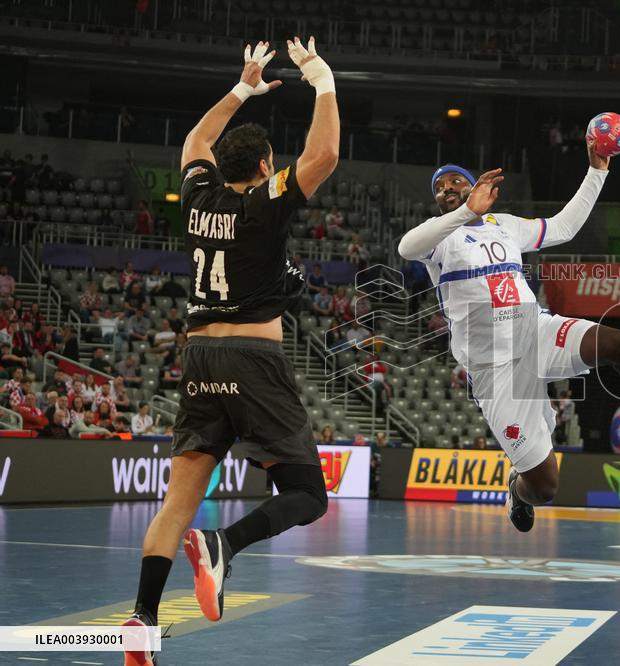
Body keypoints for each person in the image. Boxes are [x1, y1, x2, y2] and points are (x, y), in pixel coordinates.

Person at [122, 38, 341, 666]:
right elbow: (324, 154)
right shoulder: (263, 202)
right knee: (307, 494)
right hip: (252, 358)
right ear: (267, 164)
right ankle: (225, 545)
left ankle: (142, 620)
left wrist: (243, 87)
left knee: (177, 501)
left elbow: (197, 137)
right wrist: (322, 78)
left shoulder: (197, 196)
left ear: (221, 166)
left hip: (198, 360)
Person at [397, 139, 620, 535]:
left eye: (455, 181)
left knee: (619, 344)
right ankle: (517, 490)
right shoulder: (438, 239)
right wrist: (467, 211)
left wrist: (597, 172)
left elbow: (563, 227)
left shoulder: (504, 225)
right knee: (544, 488)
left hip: (535, 332)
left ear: (475, 185)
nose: (446, 189)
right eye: (439, 187)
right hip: (495, 370)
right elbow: (406, 247)